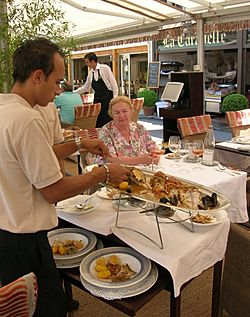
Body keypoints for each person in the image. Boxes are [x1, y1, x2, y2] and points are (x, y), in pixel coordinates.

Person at [0, 37, 130, 317]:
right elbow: (54, 190)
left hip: (7, 232)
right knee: (48, 310)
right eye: (57, 81)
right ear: (37, 76)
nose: (59, 90)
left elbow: (35, 158)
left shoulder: (5, 109)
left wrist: (80, 143)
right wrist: (104, 172)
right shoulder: (26, 118)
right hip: (24, 239)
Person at [88, 96, 162, 165]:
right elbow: (111, 159)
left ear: (131, 111)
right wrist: (140, 160)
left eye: (125, 111)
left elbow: (153, 147)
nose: (121, 116)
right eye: (117, 113)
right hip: (116, 174)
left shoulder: (139, 128)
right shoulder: (105, 132)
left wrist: (155, 155)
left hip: (142, 170)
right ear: (111, 115)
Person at [75, 52, 118, 127]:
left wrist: (115, 99)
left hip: (107, 99)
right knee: (97, 121)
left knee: (107, 121)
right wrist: (73, 93)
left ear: (92, 61)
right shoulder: (90, 73)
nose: (86, 64)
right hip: (97, 100)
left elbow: (114, 84)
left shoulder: (105, 68)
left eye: (87, 62)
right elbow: (86, 87)